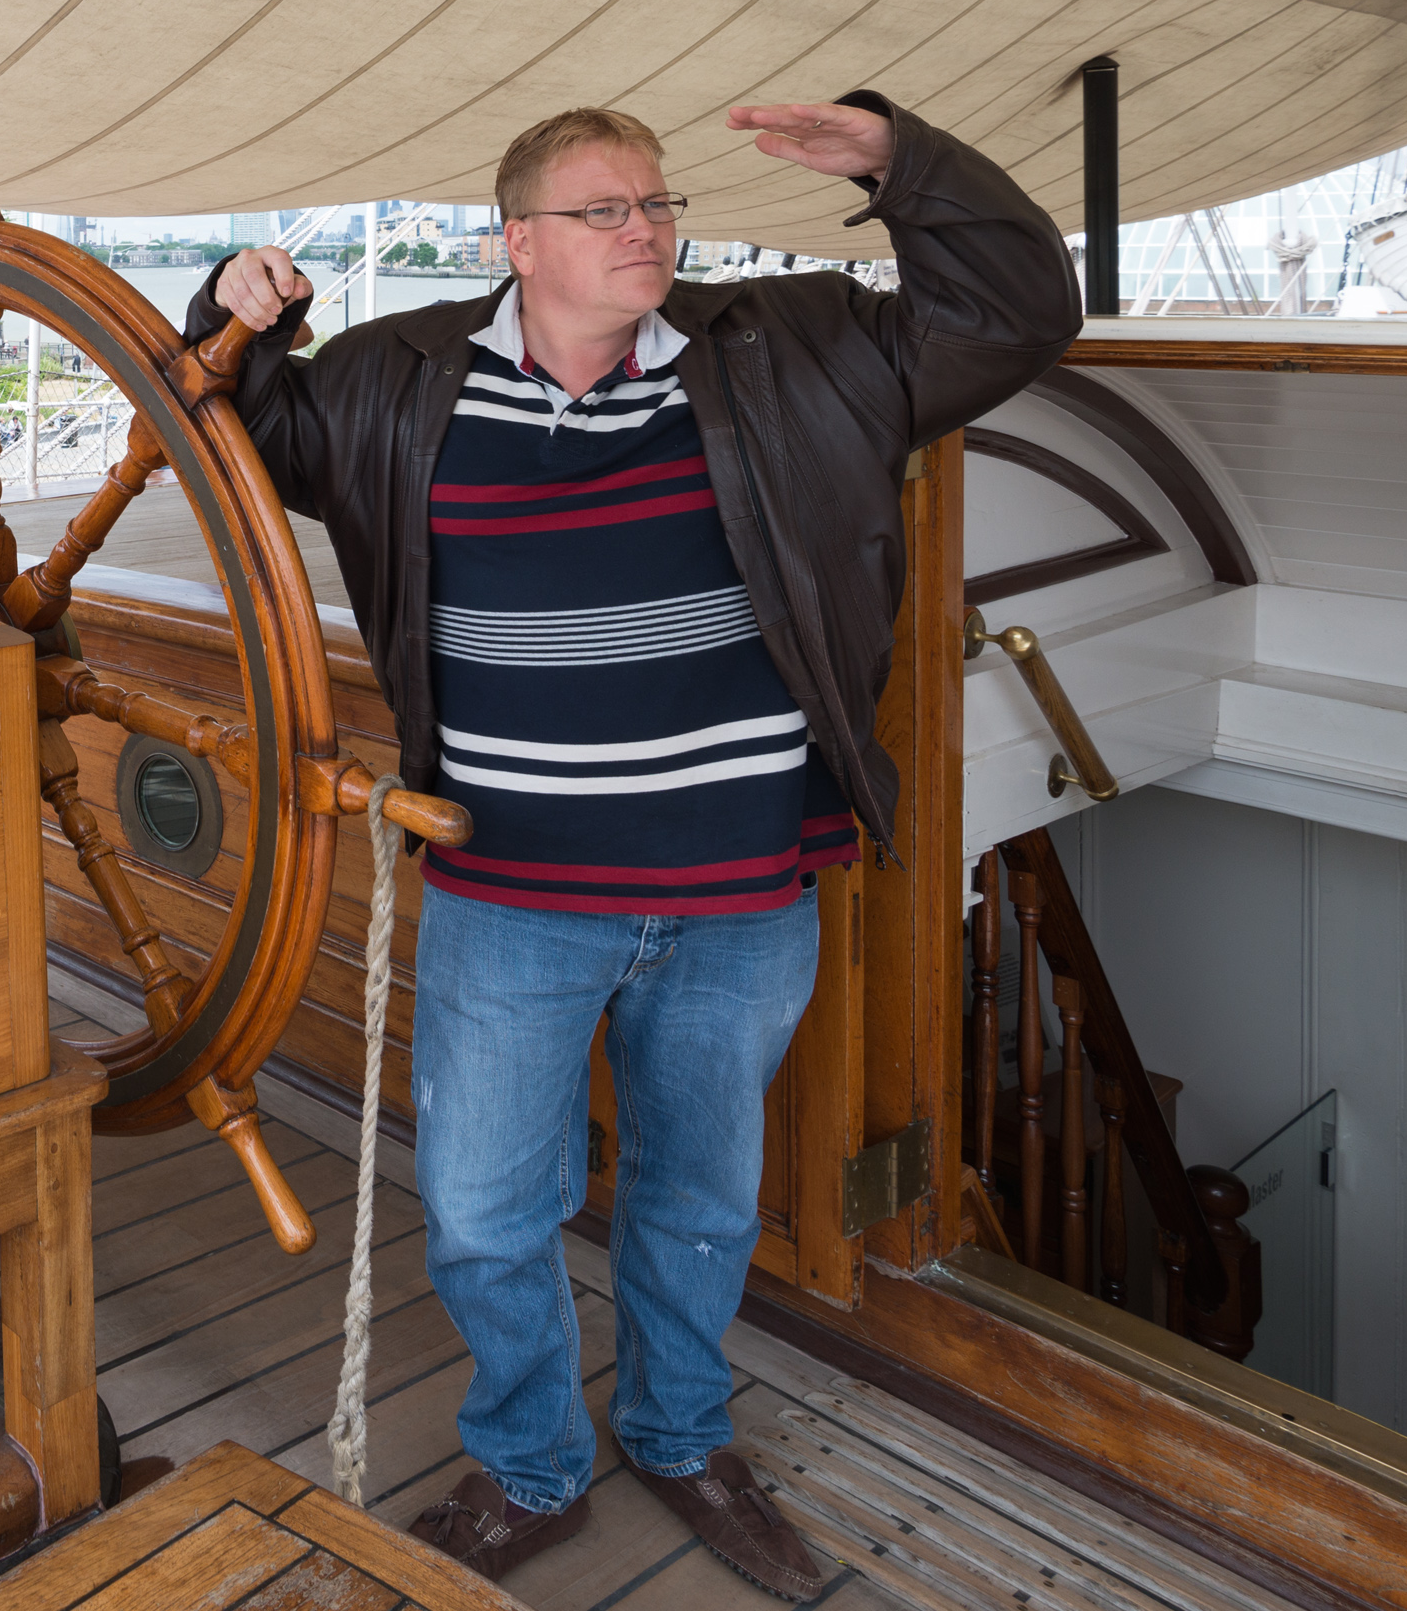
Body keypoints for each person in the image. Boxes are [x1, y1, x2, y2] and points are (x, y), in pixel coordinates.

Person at [196, 96, 1077, 1596]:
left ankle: (681, 1436)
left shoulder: (797, 349)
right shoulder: (395, 379)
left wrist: (899, 163)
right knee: (484, 1211)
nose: (646, 231)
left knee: (700, 1203)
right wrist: (238, 309)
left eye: (658, 205)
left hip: (740, 891)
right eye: (604, 210)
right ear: (518, 242)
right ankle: (532, 1467)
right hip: (510, 894)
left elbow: (1018, 313)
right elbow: (237, 421)